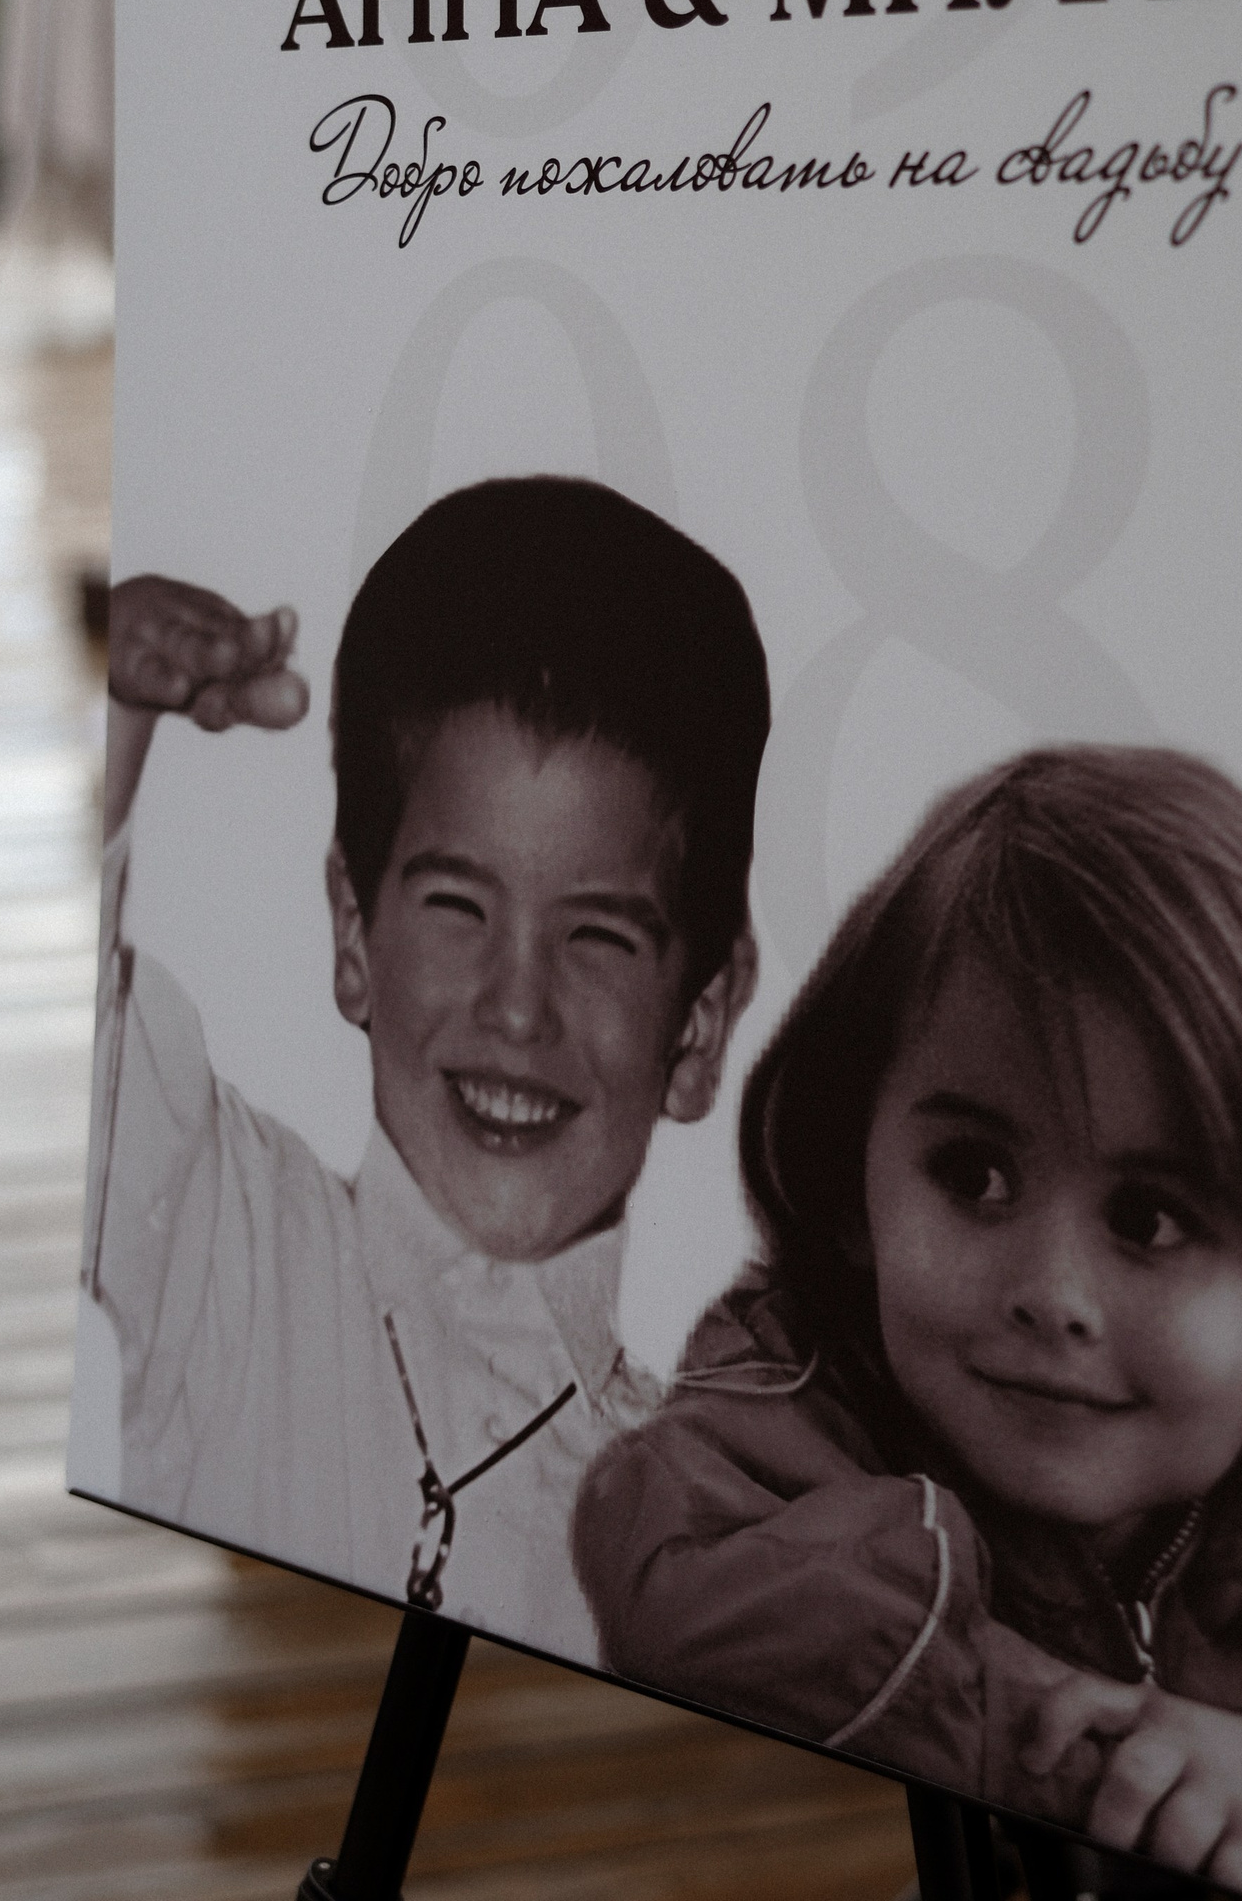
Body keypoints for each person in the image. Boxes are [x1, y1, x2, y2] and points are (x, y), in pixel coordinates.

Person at [572, 747, 1242, 1896]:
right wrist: (1129, 1764)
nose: (1053, 1292)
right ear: (850, 1181)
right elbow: (709, 1606)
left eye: (1150, 1219)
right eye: (974, 1176)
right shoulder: (762, 1443)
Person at [82, 475, 769, 1657]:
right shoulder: (219, 1239)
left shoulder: (692, 1540)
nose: (518, 1007)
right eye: (458, 907)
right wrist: (105, 711)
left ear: (698, 1030)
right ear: (354, 938)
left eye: (597, 938)